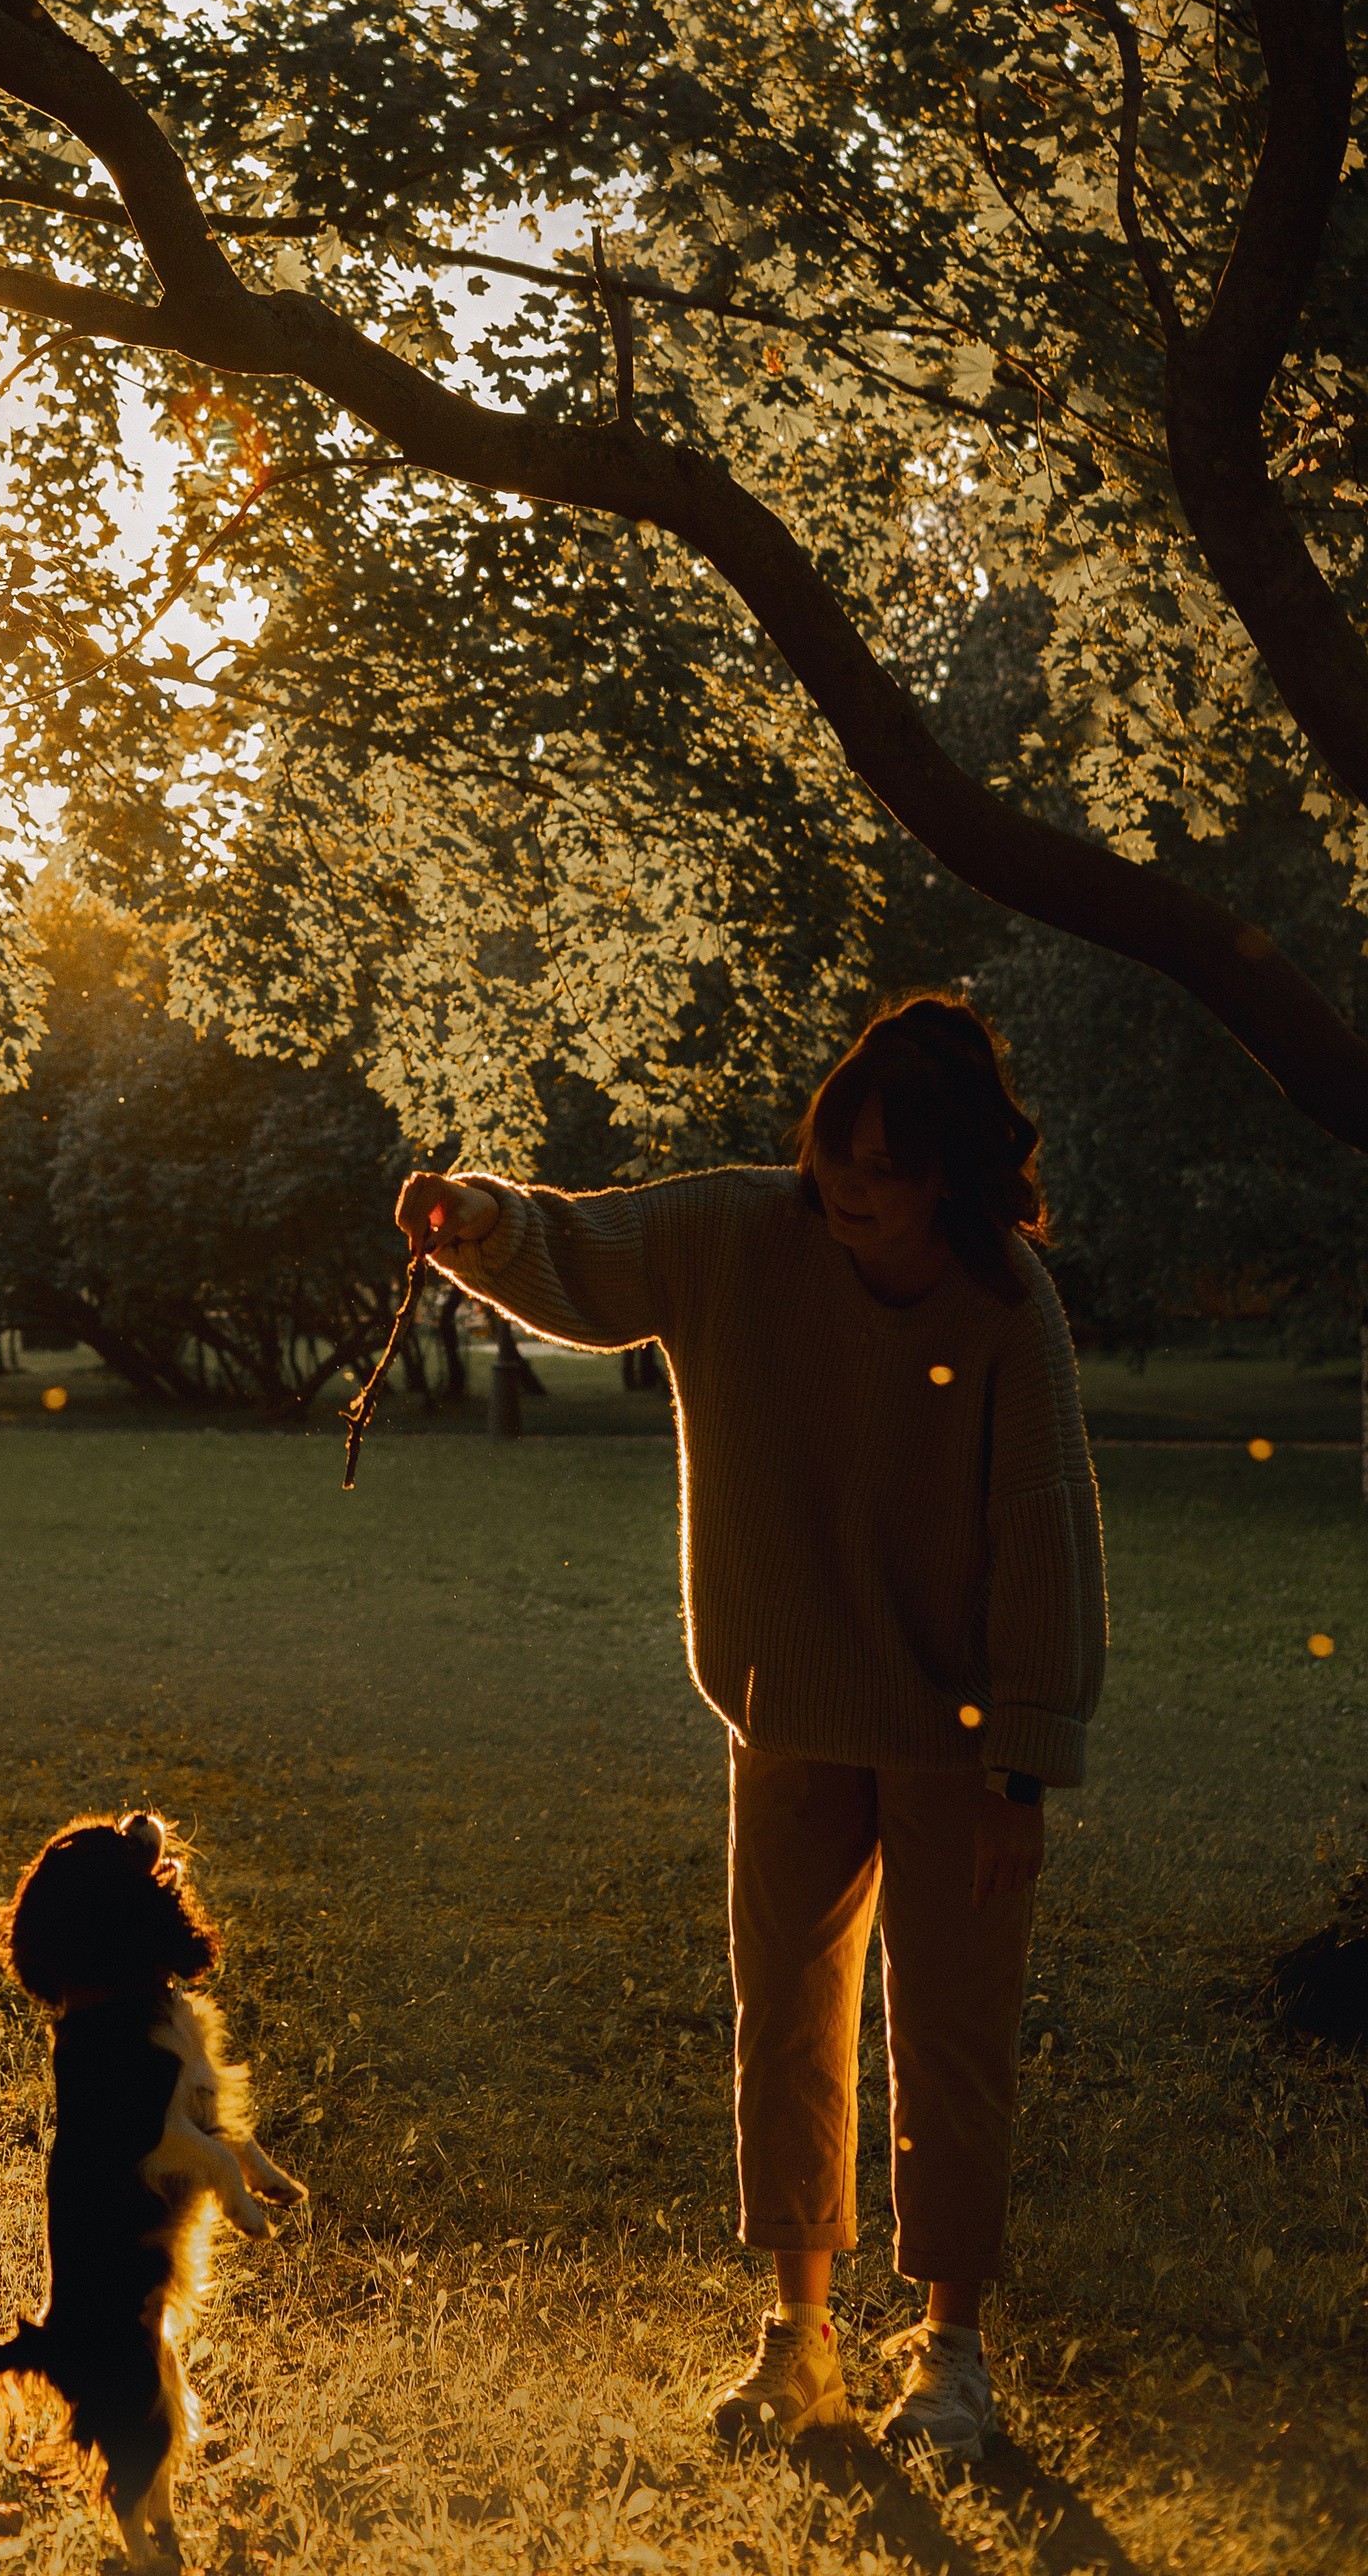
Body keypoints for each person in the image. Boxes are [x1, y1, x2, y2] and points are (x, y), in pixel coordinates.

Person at [397, 994, 1104, 2463]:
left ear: (951, 1179)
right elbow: (588, 1253)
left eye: (885, 1171)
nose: (849, 1189)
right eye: (836, 1156)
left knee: (952, 2040)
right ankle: (798, 2337)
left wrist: (1023, 1767)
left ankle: (952, 2354)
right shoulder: (743, 1232)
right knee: (785, 2021)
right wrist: (474, 1220)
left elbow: (1045, 1537)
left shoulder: (1004, 1306)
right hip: (785, 1714)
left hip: (962, 1739)